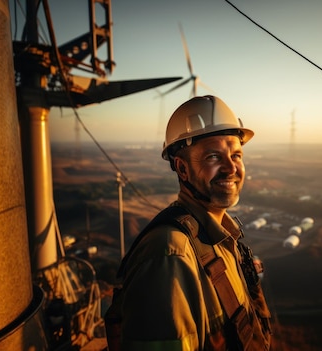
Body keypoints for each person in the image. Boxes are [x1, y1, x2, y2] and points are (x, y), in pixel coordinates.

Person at [104, 95, 272, 351]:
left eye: (236, 155)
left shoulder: (221, 237)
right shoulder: (169, 253)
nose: (231, 168)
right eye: (213, 157)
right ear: (182, 169)